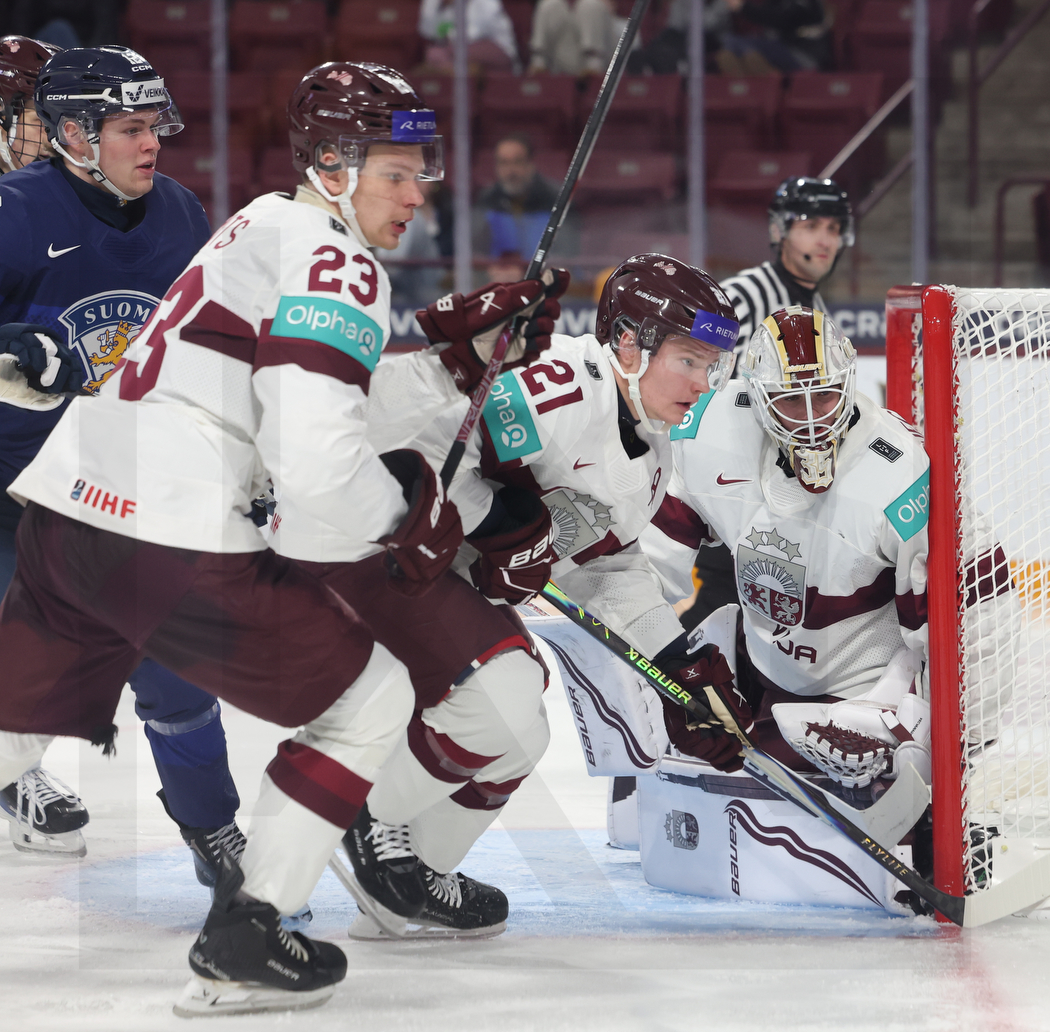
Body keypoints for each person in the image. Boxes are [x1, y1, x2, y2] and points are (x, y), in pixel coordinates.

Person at [0, 58, 561, 1016]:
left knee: (16, 723)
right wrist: (405, 530)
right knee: (369, 701)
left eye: (420, 173)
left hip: (74, 507)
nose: (416, 195)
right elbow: (314, 457)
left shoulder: (258, 221)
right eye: (396, 172)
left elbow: (289, 388)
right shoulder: (338, 263)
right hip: (170, 530)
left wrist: (445, 362)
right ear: (333, 167)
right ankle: (247, 935)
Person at [339, 252, 738, 938]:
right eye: (689, 361)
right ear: (628, 345)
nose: (702, 383)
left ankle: (404, 884)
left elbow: (607, 567)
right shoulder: (560, 386)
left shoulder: (652, 448)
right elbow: (416, 448)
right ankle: (359, 814)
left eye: (712, 366)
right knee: (504, 698)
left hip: (441, 589)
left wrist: (676, 664)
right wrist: (497, 520)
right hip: (371, 561)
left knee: (521, 737)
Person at [0, 42, 252, 884]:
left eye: (154, 126)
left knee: (177, 671)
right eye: (130, 128)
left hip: (118, 494)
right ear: (74, 133)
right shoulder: (14, 212)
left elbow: (210, 350)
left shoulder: (180, 212)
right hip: (13, 497)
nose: (152, 144)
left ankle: (213, 830)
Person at [641, 306, 1018, 791]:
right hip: (763, 675)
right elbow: (651, 557)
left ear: (848, 383)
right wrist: (653, 650)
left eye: (823, 395)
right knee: (653, 731)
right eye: (791, 402)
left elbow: (982, 603)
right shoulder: (711, 429)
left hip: (865, 699)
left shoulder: (900, 474)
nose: (812, 421)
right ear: (758, 398)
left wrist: (958, 745)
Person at [681, 176, 854, 626]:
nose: (824, 240)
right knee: (718, 616)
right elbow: (699, 387)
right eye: (810, 226)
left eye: (833, 229)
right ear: (779, 231)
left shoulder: (815, 309)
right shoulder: (741, 297)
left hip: (774, 503)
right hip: (731, 494)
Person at [473, 133, 577, 279]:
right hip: (496, 282)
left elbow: (567, 254)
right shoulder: (486, 200)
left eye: (517, 162)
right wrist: (489, 270)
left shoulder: (556, 199)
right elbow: (475, 251)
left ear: (531, 164)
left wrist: (526, 274)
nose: (511, 171)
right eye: (503, 163)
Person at [418, 0, 520, 72]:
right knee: (434, 54)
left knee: (440, 55)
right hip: (454, 50)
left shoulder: (486, 2)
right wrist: (441, 6)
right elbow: (427, 31)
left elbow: (474, 34)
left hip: (496, 47)